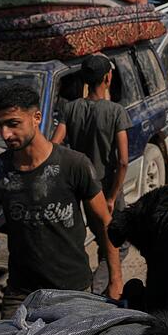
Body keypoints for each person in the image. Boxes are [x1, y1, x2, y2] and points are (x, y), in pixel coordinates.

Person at [0, 83, 122, 319]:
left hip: (73, 289)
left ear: (36, 117)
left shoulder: (74, 164)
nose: (5, 134)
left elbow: (104, 224)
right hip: (21, 293)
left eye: (13, 123)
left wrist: (115, 280)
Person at [51, 55, 130, 295]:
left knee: (101, 237)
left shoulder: (70, 108)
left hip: (84, 188)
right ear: (108, 78)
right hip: (106, 187)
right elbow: (123, 160)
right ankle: (98, 290)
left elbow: (55, 145)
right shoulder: (116, 111)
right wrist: (113, 196)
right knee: (120, 244)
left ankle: (101, 286)